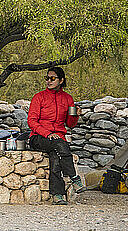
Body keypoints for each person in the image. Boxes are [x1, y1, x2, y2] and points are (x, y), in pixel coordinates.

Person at [28, 66, 87, 205]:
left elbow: (70, 124)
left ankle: (57, 195)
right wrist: (48, 134)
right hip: (38, 137)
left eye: (52, 78)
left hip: (58, 138)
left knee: (56, 155)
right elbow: (31, 121)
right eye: (47, 78)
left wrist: (75, 116)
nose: (49, 81)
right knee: (60, 144)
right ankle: (74, 178)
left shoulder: (67, 99)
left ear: (61, 80)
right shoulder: (39, 97)